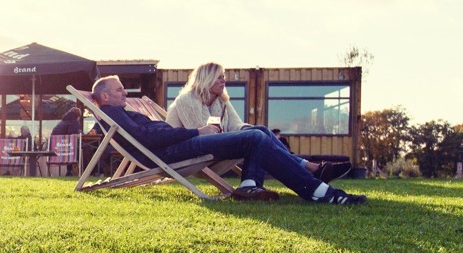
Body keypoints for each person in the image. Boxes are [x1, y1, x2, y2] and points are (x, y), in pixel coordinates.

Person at [91, 75, 365, 204]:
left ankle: (251, 185)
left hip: (177, 146)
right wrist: (197, 132)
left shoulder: (119, 112)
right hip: (174, 153)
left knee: (255, 133)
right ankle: (319, 192)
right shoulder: (113, 113)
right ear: (104, 97)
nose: (124, 93)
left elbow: (152, 133)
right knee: (255, 137)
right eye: (119, 90)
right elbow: (148, 138)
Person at [167, 62, 350, 183]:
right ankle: (310, 169)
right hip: (192, 155)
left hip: (215, 151)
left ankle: (253, 184)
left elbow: (237, 126)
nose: (224, 80)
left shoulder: (221, 101)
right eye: (219, 77)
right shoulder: (186, 100)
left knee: (260, 131)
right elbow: (200, 135)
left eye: (224, 76)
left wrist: (257, 134)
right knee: (257, 136)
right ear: (206, 79)